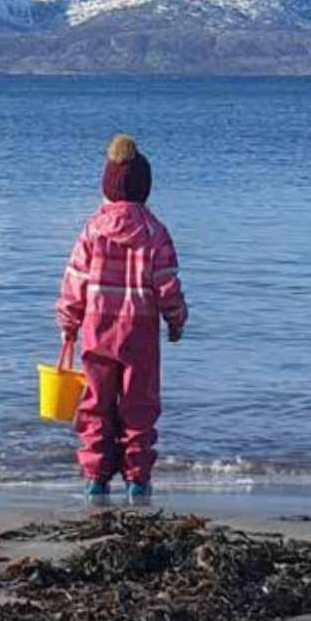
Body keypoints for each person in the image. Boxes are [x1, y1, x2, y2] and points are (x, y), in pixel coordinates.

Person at [56, 133, 188, 504]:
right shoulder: (154, 232)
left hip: (98, 331)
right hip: (140, 332)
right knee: (139, 406)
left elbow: (75, 281)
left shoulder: (92, 230)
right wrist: (176, 320)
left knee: (96, 404)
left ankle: (96, 479)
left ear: (108, 187)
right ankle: (137, 481)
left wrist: (69, 323)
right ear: (145, 189)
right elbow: (167, 285)